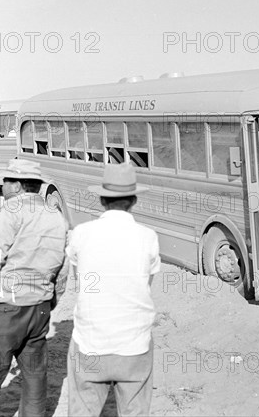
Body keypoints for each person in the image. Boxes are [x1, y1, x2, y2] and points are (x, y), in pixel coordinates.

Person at [0, 159, 69, 417]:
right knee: (34, 376)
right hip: (40, 308)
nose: (3, 185)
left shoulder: (11, 211)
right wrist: (49, 301)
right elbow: (63, 268)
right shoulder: (55, 215)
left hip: (6, 309)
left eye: (7, 180)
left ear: (18, 185)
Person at [65, 162, 161, 416]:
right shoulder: (148, 237)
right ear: (134, 200)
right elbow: (145, 285)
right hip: (134, 345)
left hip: (90, 343)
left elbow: (80, 280)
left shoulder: (81, 233)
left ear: (102, 199)